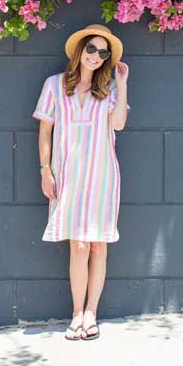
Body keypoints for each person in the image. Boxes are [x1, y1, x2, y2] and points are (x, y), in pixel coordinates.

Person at [32, 23, 130, 341]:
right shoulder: (54, 86)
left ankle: (92, 313)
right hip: (68, 176)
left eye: (103, 52)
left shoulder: (109, 91)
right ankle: (76, 313)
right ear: (80, 50)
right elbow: (45, 130)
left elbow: (118, 125)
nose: (96, 56)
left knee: (99, 245)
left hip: (102, 176)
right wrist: (46, 170)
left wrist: (122, 83)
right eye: (92, 48)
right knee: (78, 245)